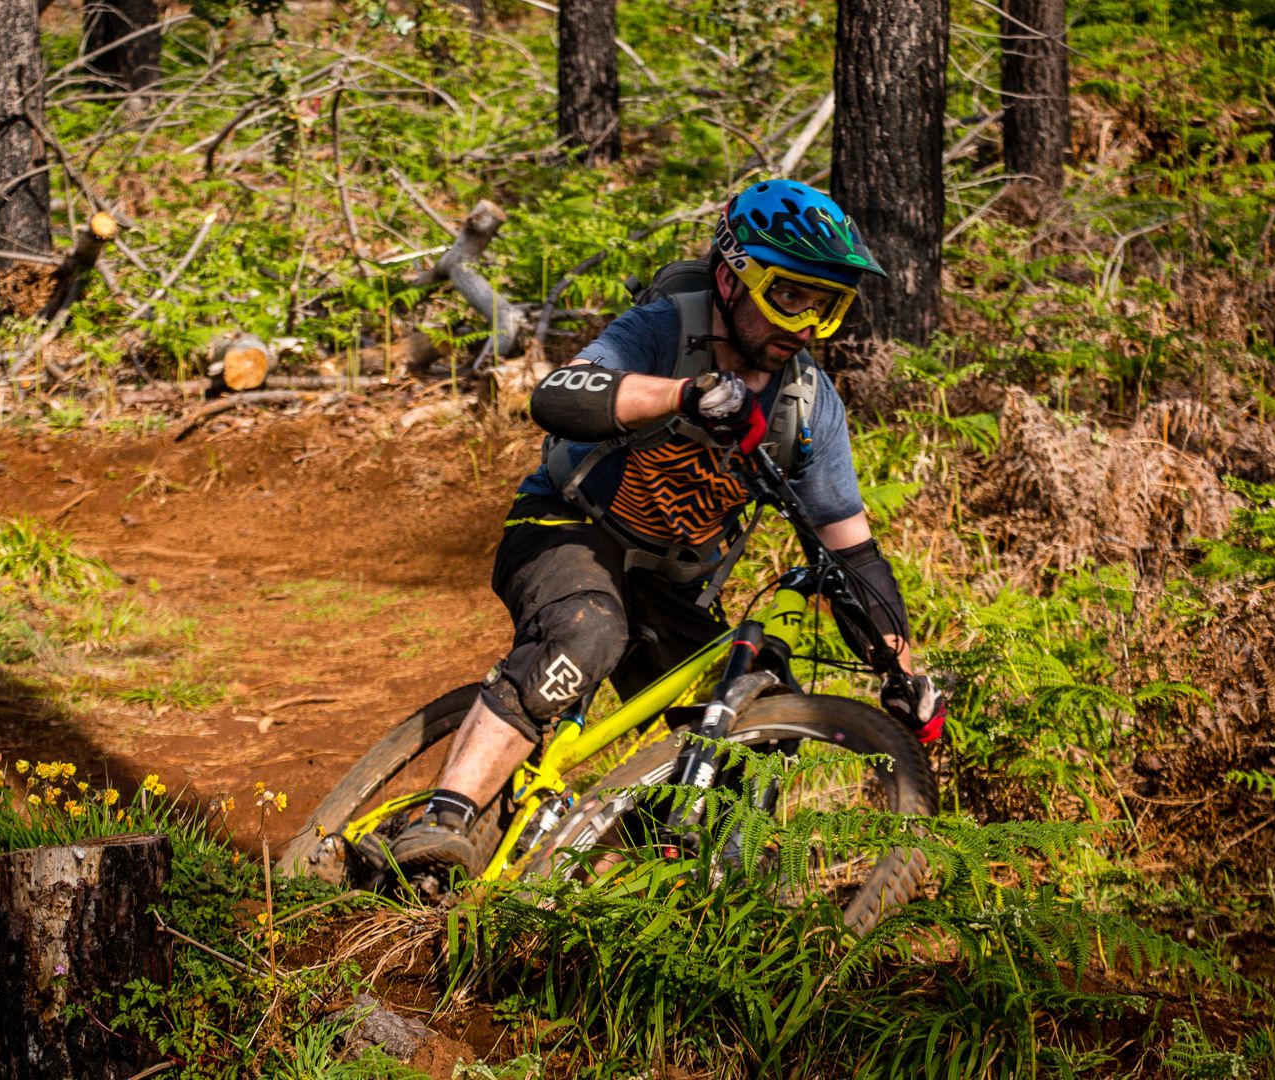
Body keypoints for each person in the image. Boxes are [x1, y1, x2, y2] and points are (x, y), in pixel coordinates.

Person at [389, 179, 946, 876]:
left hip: (672, 583)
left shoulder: (809, 405)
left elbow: (853, 551)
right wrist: (685, 394)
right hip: (566, 527)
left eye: (825, 307)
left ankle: (635, 876)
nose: (803, 325)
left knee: (752, 715)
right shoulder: (663, 330)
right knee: (588, 628)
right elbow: (559, 395)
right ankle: (444, 817)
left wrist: (899, 670)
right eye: (789, 296)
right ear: (731, 279)